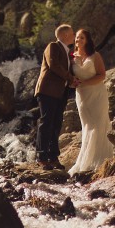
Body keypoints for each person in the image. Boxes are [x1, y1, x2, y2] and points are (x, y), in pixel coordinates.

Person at [68, 28, 115, 175]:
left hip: (97, 94)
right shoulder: (71, 57)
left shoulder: (95, 55)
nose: (78, 40)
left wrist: (85, 82)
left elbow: (102, 75)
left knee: (99, 123)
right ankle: (86, 161)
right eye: (77, 38)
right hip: (82, 97)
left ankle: (101, 160)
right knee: (87, 125)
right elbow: (69, 79)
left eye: (82, 38)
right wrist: (72, 83)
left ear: (87, 40)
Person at [34, 24, 79, 170]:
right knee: (46, 122)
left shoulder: (68, 53)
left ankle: (53, 157)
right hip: (47, 91)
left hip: (60, 92)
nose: (74, 36)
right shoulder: (53, 46)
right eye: (72, 34)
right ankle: (41, 157)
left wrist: (71, 81)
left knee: (56, 124)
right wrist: (71, 78)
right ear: (65, 35)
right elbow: (54, 65)